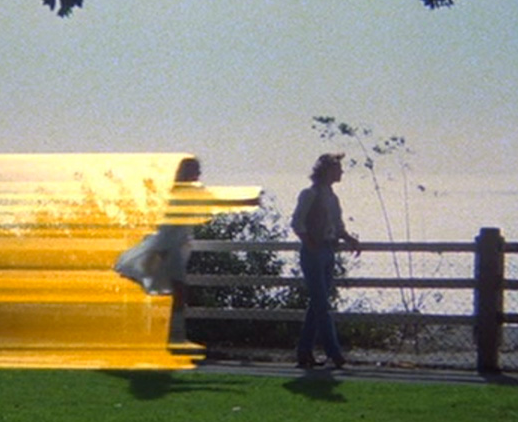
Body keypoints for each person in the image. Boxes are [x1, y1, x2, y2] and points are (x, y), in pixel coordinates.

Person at [115, 157, 260, 346]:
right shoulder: (179, 192)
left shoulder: (182, 191)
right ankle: (173, 335)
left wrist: (247, 201)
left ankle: (165, 334)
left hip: (174, 244)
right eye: (196, 170)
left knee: (169, 291)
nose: (199, 174)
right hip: (169, 245)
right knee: (176, 290)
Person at [291, 153, 360, 369]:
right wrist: (309, 241)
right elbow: (297, 222)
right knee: (321, 304)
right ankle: (335, 353)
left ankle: (304, 352)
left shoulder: (332, 197)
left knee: (317, 304)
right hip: (314, 252)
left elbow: (337, 225)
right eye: (337, 168)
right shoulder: (310, 194)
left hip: (329, 250)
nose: (341, 172)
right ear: (326, 171)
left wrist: (349, 239)